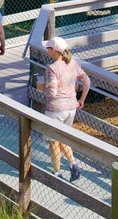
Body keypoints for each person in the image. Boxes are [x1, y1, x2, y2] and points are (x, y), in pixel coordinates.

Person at [36, 36, 90, 183]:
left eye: (48, 48)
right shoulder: (73, 63)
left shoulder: (52, 68)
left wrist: (42, 88)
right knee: (63, 138)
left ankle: (57, 172)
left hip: (56, 109)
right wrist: (82, 100)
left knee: (53, 141)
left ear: (53, 50)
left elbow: (52, 93)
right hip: (71, 108)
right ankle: (73, 165)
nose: (47, 50)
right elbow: (86, 81)